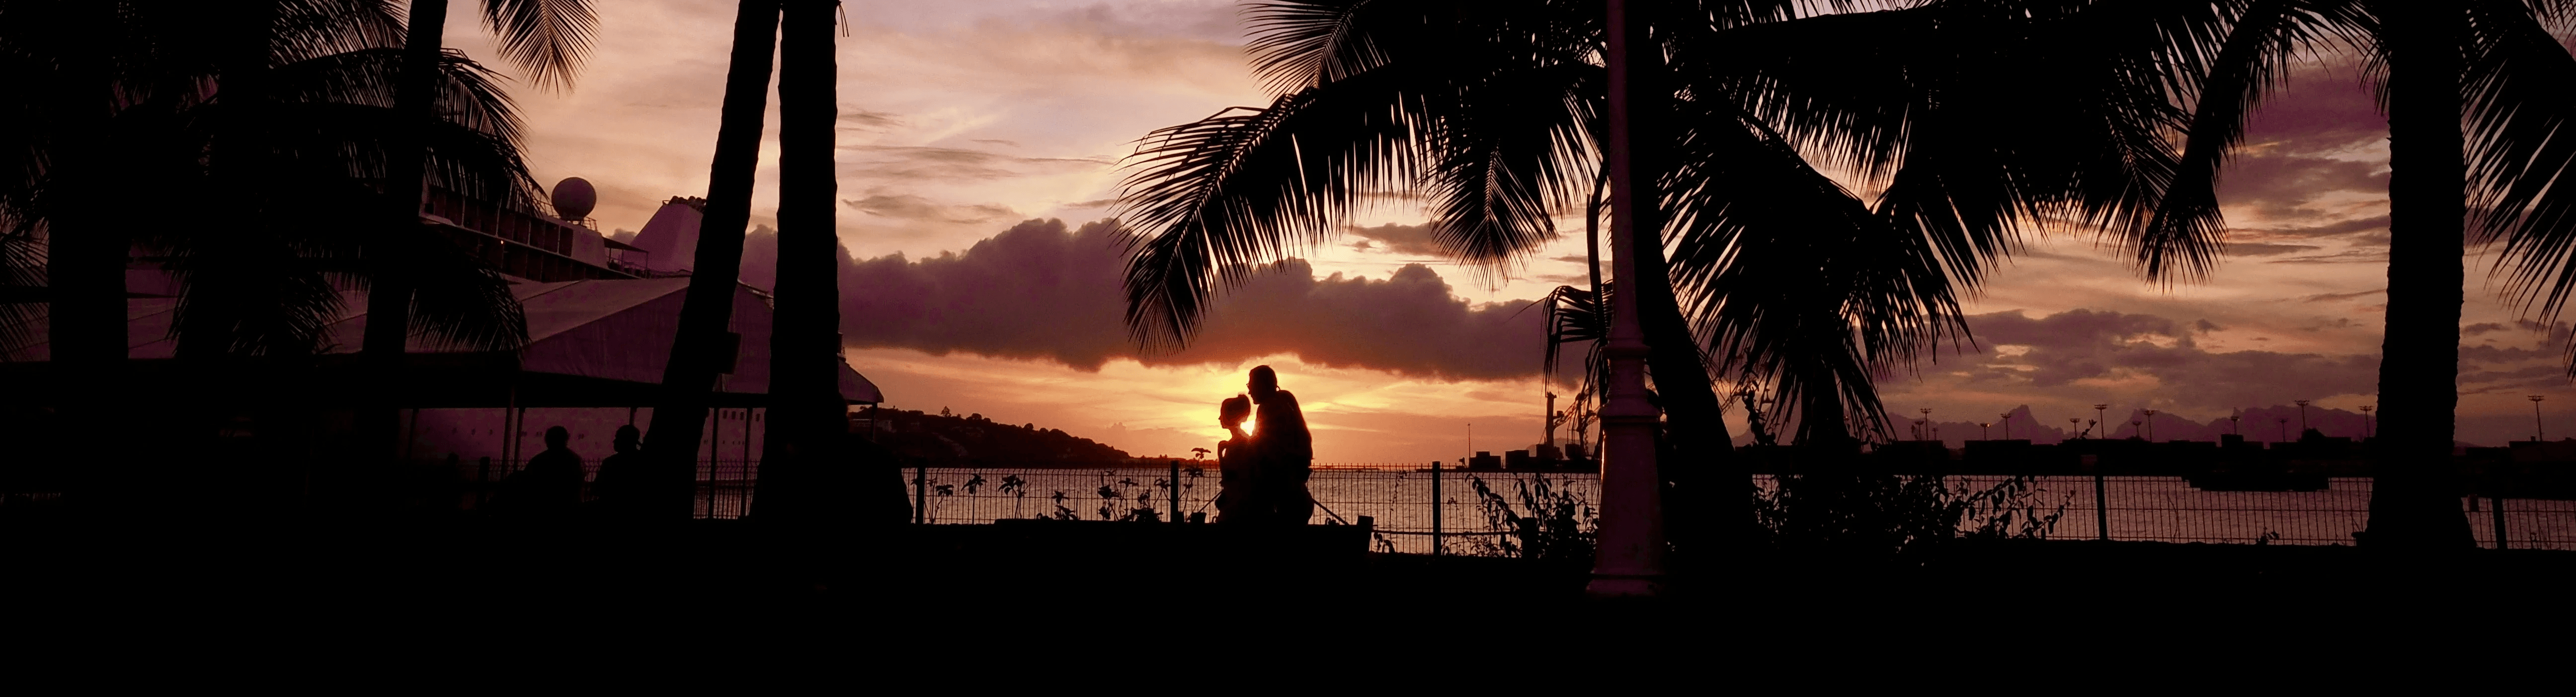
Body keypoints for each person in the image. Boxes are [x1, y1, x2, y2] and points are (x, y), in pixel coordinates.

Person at [1247, 365, 1314, 525]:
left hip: (1287, 503)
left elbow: (1259, 448)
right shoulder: (1284, 404)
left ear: (1261, 385)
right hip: (1298, 499)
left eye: (1250, 385)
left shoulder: (1268, 408)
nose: (1249, 392)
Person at [495, 426, 585, 519]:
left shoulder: (541, 460)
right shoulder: (575, 460)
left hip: (543, 509)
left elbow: (529, 483)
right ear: (566, 440)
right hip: (569, 508)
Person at [1212, 395, 1257, 523]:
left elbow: (1229, 476)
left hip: (1237, 506)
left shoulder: (1237, 443)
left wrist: (1220, 455)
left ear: (1231, 416)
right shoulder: (1242, 439)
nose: (1220, 418)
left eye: (1223, 414)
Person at [590, 425, 644, 518]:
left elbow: (596, 489)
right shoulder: (643, 461)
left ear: (624, 441)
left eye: (618, 438)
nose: (614, 441)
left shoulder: (611, 463)